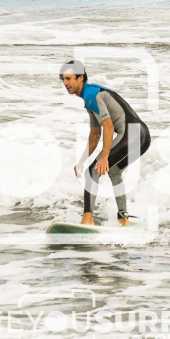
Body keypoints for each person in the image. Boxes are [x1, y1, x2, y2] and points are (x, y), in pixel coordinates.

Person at [60, 60, 151, 226]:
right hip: (143, 136)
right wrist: (81, 161)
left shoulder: (90, 95)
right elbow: (95, 135)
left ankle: (87, 220)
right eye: (63, 79)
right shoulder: (91, 95)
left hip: (132, 134)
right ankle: (123, 219)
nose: (65, 83)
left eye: (69, 78)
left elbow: (108, 127)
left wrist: (104, 157)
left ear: (80, 78)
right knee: (114, 171)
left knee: (92, 173)